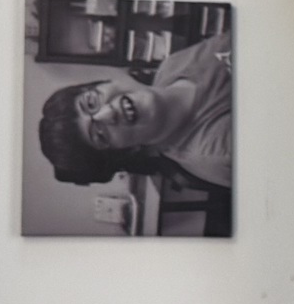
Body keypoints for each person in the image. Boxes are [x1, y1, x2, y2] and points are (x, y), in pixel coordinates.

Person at [37, 25, 234, 231]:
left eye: (91, 102)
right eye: (100, 134)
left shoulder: (171, 66)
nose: (108, 113)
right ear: (126, 150)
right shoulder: (218, 151)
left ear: (105, 81)